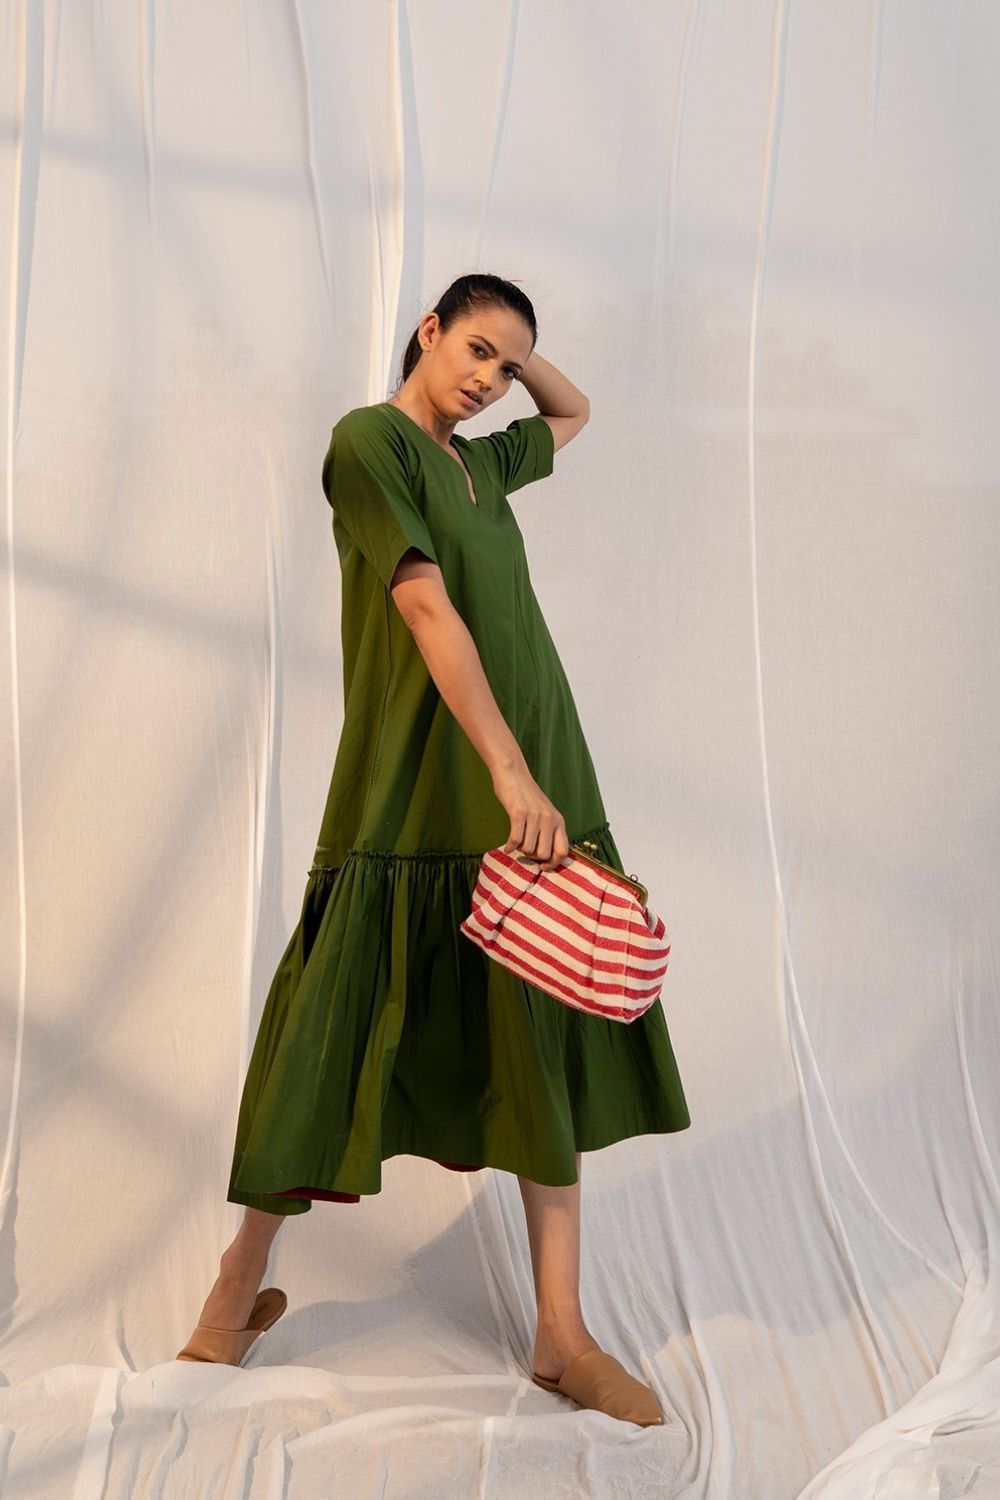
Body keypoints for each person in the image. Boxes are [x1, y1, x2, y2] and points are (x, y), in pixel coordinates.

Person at [175, 273, 691, 1425]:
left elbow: (573, 412)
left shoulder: (482, 463)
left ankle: (561, 1335)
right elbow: (421, 606)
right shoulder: (372, 445)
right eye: (473, 350)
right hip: (429, 774)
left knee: (541, 1022)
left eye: (505, 365)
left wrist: (516, 352)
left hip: (539, 763)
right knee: (331, 1031)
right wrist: (504, 769)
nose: (490, 379)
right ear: (426, 331)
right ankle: (233, 1291)